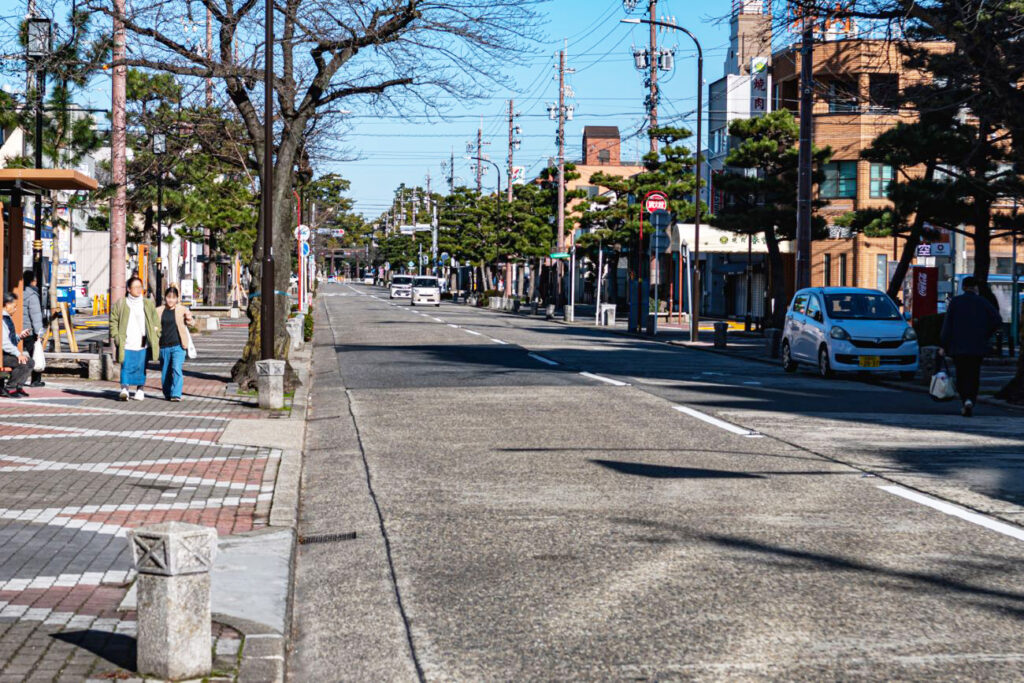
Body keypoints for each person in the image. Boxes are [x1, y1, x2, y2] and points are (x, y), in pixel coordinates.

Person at [940, 276, 1002, 417]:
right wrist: (985, 333)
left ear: (963, 287)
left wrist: (943, 344)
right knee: (974, 374)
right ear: (976, 287)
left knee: (961, 374)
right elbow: (997, 319)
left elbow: (947, 325)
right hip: (977, 345)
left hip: (958, 345)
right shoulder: (982, 302)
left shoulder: (956, 302)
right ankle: (971, 400)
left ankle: (964, 400)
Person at [110, 276, 160, 401]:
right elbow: (113, 321)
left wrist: (156, 332)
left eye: (140, 287)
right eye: (135, 287)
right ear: (128, 289)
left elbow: (155, 320)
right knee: (126, 366)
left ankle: (140, 389)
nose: (139, 289)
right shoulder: (121, 303)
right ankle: (124, 389)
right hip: (126, 341)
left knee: (141, 366)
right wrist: (116, 336)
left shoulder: (148, 303)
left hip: (143, 342)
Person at [155, 285, 194, 401]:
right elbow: (153, 325)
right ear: (165, 297)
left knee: (176, 368)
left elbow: (192, 323)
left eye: (173, 297)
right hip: (163, 346)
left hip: (178, 345)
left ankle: (176, 394)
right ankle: (167, 393)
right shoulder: (159, 310)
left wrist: (188, 318)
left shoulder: (182, 309)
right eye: (168, 297)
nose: (170, 300)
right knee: (165, 372)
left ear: (177, 299)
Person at [2, 292, 34, 398]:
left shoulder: (7, 318)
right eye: (14, 306)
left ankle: (18, 386)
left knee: (30, 362)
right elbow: (4, 342)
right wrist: (17, 354)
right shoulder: (2, 319)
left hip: (6, 354)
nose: (15, 309)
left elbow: (10, 339)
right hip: (2, 355)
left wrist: (19, 336)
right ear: (6, 305)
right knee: (24, 363)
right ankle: (10, 387)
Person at [22, 271, 46, 387]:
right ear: (32, 281)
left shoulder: (19, 292)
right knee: (35, 353)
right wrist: (39, 333)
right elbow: (35, 315)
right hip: (29, 330)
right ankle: (35, 380)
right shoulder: (32, 295)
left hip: (18, 329)